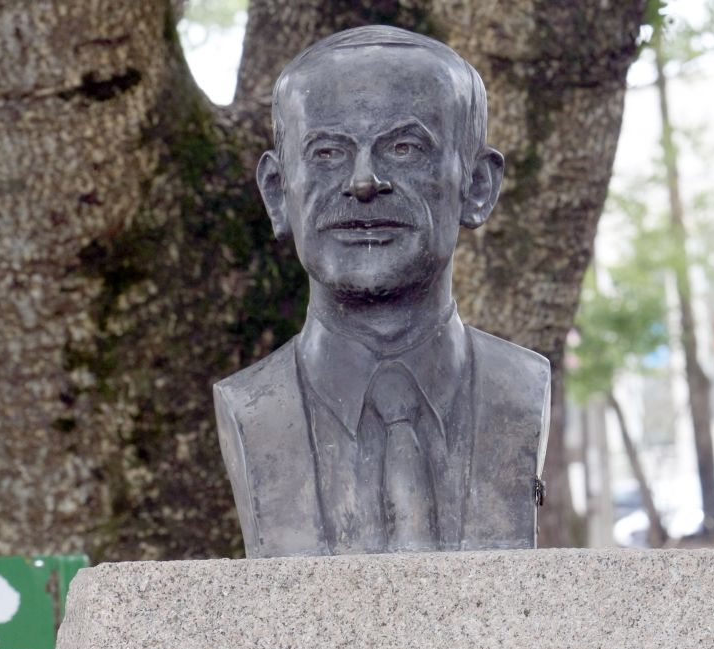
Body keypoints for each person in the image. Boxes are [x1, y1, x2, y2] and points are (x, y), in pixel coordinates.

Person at [215, 25, 550, 557]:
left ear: (478, 185)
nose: (364, 181)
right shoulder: (251, 407)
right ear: (279, 194)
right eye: (327, 153)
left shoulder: (522, 392)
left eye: (404, 147)